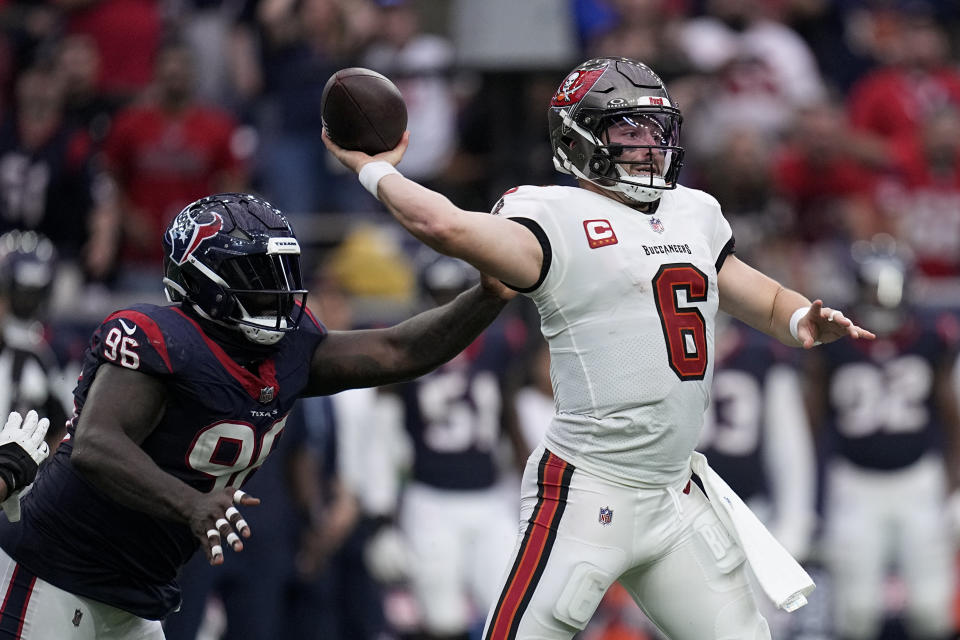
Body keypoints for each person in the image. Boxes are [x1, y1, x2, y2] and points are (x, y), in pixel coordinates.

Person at [323, 56, 875, 640]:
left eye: (655, 129)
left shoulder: (694, 212)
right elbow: (448, 228)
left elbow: (748, 290)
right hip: (589, 488)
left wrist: (798, 316)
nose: (648, 145)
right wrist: (376, 171)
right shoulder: (552, 216)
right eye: (628, 129)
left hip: (674, 492)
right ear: (579, 138)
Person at [0, 192, 514, 638]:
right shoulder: (161, 338)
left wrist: (489, 295)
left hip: (136, 589)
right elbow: (95, 445)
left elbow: (401, 352)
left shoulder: (290, 350)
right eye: (258, 276)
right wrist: (191, 504)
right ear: (202, 282)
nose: (277, 292)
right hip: (55, 568)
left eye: (281, 274)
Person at [805, 236, 959, 640]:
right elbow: (812, 422)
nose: (883, 298)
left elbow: (950, 415)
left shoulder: (932, 336)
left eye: (890, 286)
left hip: (918, 479)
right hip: (854, 481)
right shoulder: (833, 343)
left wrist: (953, 484)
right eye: (873, 286)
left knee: (931, 605)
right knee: (856, 610)